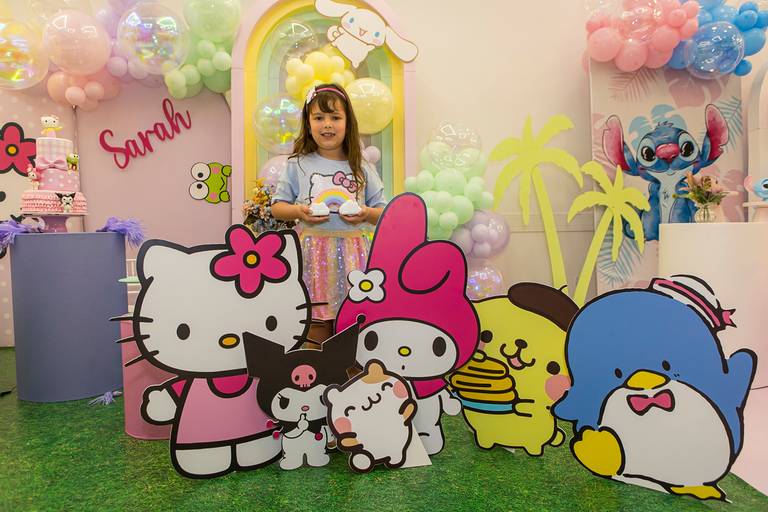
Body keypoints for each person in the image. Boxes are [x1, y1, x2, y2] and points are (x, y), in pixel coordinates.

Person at [272, 83, 386, 342]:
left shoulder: (361, 166)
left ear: (348, 123)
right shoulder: (298, 163)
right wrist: (300, 211)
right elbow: (278, 207)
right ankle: (314, 368)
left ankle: (350, 368)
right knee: (315, 326)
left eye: (335, 117)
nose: (327, 124)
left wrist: (366, 213)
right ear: (308, 123)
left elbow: (384, 212)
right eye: (319, 117)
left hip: (355, 257)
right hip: (313, 257)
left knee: (353, 328)